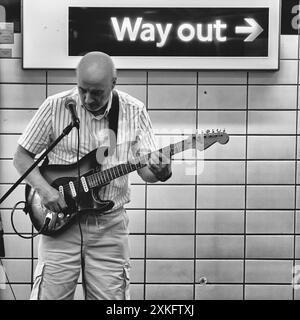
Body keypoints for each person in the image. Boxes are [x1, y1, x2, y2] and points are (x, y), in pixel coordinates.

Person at [13, 51, 172, 300]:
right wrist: (46, 192)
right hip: (60, 224)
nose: (88, 99)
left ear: (113, 83)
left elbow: (146, 171)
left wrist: (162, 171)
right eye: (82, 90)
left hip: (108, 226)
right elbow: (21, 158)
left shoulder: (134, 110)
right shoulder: (56, 106)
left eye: (97, 92)